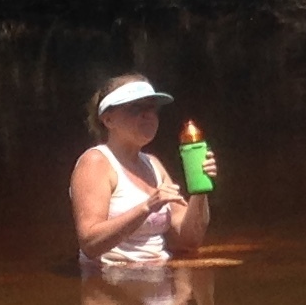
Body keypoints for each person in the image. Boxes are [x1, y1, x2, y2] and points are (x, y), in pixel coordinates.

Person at [70, 72, 216, 271]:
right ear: (108, 119)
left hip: (158, 280)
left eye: (151, 108)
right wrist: (146, 207)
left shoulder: (153, 164)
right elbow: (90, 244)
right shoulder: (96, 163)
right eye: (135, 108)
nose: (148, 115)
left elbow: (188, 241)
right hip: (111, 282)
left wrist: (200, 189)